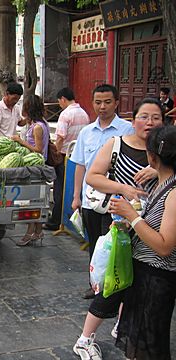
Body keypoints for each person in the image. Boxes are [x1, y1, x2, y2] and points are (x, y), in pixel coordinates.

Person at [73, 98, 163, 360]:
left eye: (155, 117)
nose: (149, 122)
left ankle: (121, 327)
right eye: (144, 116)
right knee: (115, 283)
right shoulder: (117, 144)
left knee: (136, 283)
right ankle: (85, 339)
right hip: (122, 227)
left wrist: (157, 170)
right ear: (133, 120)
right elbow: (93, 176)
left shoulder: (165, 150)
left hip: (154, 228)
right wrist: (123, 188)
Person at [109, 125, 176, 359]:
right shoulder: (161, 183)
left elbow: (164, 246)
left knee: (150, 344)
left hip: (157, 278)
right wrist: (126, 222)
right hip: (145, 273)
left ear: (152, 157)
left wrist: (132, 216)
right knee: (140, 341)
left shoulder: (174, 192)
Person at [70, 84, 134, 299]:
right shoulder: (86, 132)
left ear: (116, 103)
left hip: (117, 202)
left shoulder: (127, 130)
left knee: (115, 244)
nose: (102, 106)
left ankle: (115, 286)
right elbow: (80, 165)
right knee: (95, 244)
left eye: (107, 102)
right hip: (90, 201)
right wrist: (76, 196)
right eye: (98, 102)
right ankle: (95, 284)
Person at [44, 87, 90, 231]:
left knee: (60, 190)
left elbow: (60, 138)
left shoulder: (65, 114)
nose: (60, 105)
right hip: (79, 158)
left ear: (63, 99)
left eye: (59, 102)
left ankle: (55, 221)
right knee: (74, 190)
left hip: (64, 157)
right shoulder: (84, 113)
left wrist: (56, 153)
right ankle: (72, 221)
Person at [11, 94, 50, 246]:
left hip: (36, 168)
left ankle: (30, 233)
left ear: (29, 109)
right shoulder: (38, 123)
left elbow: (38, 150)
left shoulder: (38, 127)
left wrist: (20, 141)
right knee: (37, 201)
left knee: (31, 202)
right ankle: (38, 232)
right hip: (35, 167)